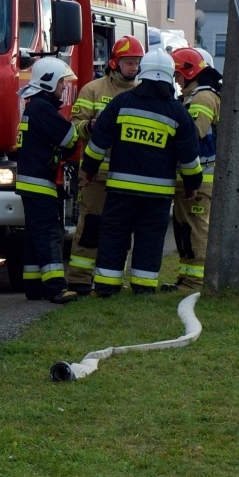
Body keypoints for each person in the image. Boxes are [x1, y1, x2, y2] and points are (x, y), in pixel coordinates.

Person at [80, 49, 203, 296]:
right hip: (158, 195)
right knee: (150, 238)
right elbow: (190, 157)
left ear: (143, 72)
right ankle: (144, 288)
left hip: (120, 190)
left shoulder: (121, 103)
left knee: (114, 235)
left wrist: (89, 170)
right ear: (169, 76)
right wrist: (192, 185)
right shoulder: (178, 113)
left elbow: (98, 142)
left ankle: (106, 287)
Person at [65, 35, 144, 289]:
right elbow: (74, 128)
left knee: (121, 230)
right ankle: (79, 279)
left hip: (127, 177)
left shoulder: (142, 92)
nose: (133, 68)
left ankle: (112, 280)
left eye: (137, 63)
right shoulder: (93, 90)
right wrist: (90, 126)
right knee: (90, 226)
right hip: (95, 175)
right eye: (129, 62)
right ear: (114, 62)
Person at [14, 56, 80, 303]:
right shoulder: (42, 108)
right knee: (49, 234)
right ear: (49, 81)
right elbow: (69, 138)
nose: (64, 87)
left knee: (35, 236)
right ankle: (56, 289)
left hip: (32, 183)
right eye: (61, 82)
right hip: (40, 183)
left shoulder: (34, 106)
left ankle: (34, 287)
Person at [169, 46, 221, 292]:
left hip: (201, 178)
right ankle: (186, 279)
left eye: (178, 75)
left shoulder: (202, 98)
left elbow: (193, 136)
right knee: (184, 228)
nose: (177, 81)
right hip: (191, 177)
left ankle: (195, 282)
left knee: (195, 229)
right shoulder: (193, 96)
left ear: (188, 73)